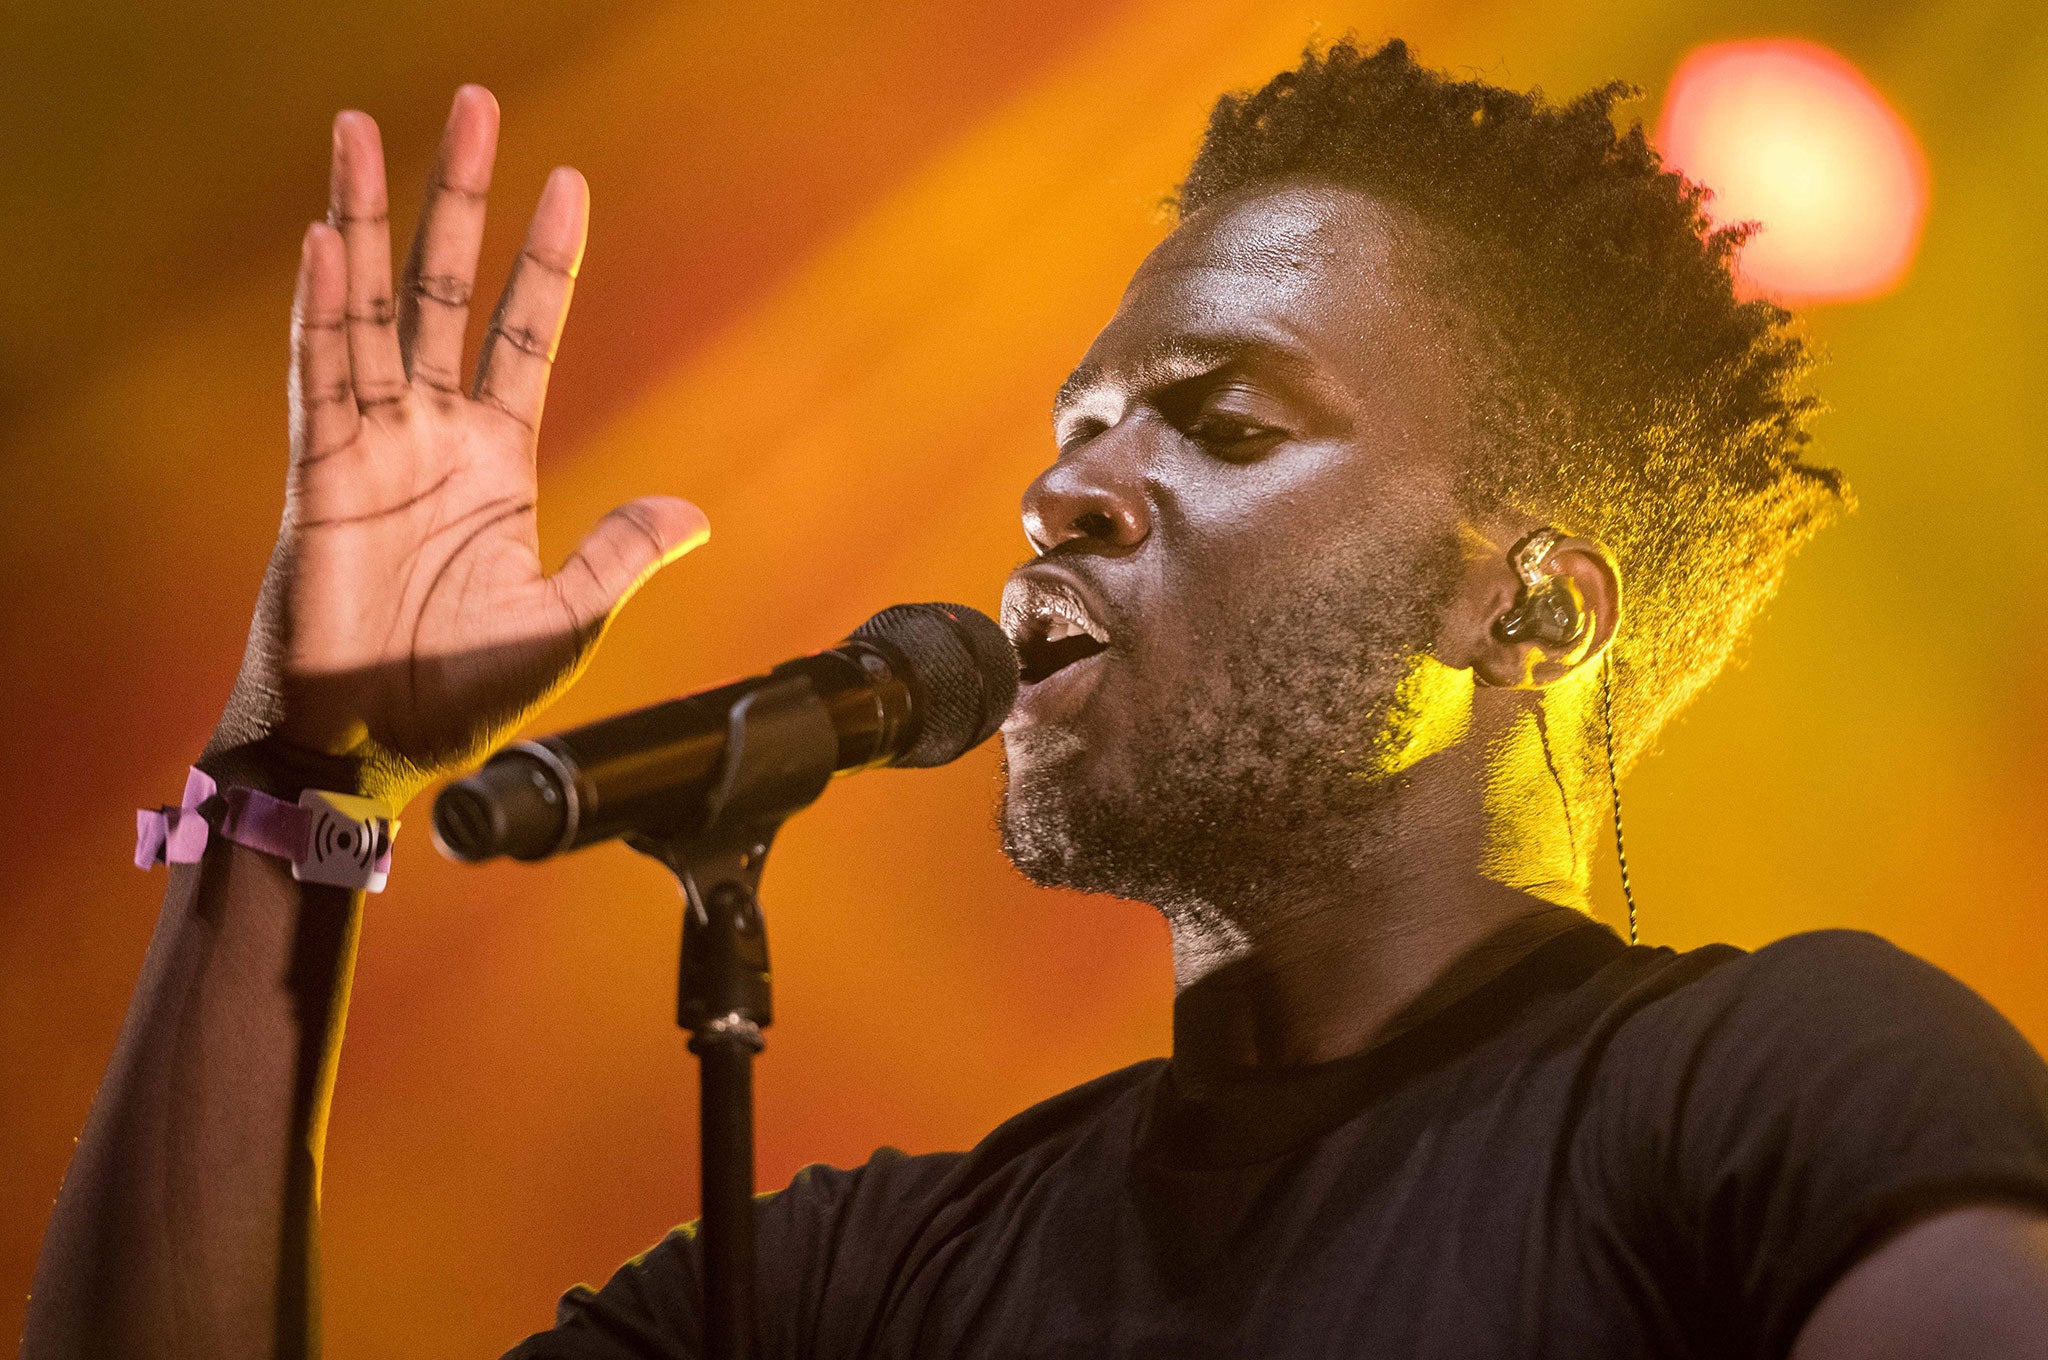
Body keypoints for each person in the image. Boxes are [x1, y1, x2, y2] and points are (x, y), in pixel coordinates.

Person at [21, 38, 2048, 1360]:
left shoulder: (1773, 1090)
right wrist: (301, 763)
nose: (1060, 485)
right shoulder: (858, 1281)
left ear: (1522, 605)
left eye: (1223, 418)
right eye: (1072, 423)